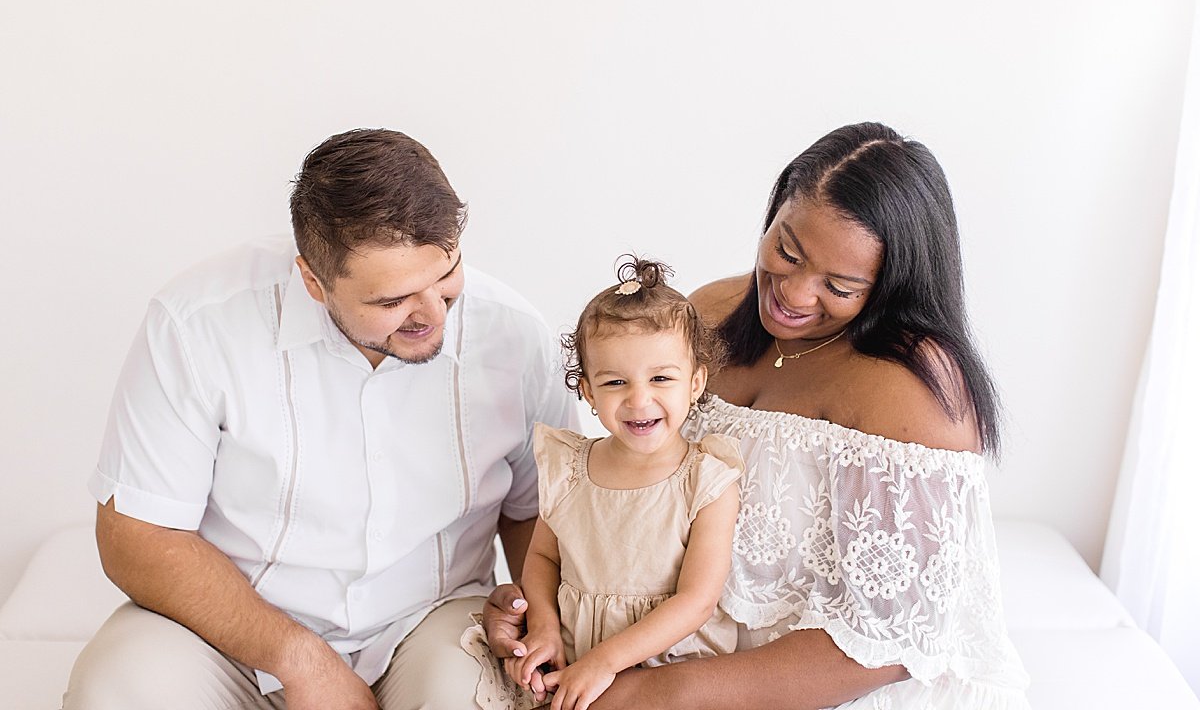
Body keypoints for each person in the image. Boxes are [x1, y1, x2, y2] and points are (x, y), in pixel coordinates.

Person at [484, 122, 1031, 709]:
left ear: (891, 286)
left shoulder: (915, 389)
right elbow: (639, 500)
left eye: (839, 285)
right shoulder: (709, 312)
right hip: (660, 655)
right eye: (786, 251)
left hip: (807, 690)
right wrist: (543, 608)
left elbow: (894, 640)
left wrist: (662, 692)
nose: (793, 294)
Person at [64, 129, 576, 710]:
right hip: (228, 629)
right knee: (116, 690)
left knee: (476, 699)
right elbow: (138, 535)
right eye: (393, 301)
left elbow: (540, 512)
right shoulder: (196, 322)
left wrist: (537, 614)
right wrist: (297, 658)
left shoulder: (516, 334)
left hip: (431, 619)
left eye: (448, 274)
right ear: (313, 279)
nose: (435, 314)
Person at [463, 256, 742, 710]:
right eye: (615, 382)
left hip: (664, 667)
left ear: (695, 382)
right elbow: (541, 556)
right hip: (574, 655)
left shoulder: (706, 480)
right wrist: (546, 628)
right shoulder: (570, 467)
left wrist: (607, 661)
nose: (638, 399)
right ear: (589, 391)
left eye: (660, 378)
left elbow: (697, 600)